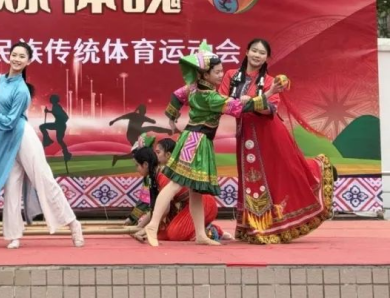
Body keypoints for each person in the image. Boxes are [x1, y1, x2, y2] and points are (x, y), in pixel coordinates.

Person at [142, 41, 280, 247]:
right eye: (217, 72)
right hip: (194, 142)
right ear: (205, 75)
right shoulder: (211, 96)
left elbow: (177, 96)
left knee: (195, 191)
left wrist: (172, 117)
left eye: (221, 71)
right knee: (175, 185)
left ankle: (200, 234)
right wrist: (269, 93)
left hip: (199, 141)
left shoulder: (193, 88)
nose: (221, 75)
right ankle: (152, 226)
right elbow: (239, 108)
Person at [0, 41, 84, 249]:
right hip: (5, 138)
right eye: (14, 55)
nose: (16, 59)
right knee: (11, 185)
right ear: (8, 56)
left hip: (21, 135)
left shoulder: (22, 90)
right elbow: (3, 115)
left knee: (44, 180)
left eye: (22, 56)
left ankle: (73, 223)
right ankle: (14, 234)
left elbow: (10, 121)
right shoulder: (2, 80)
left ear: (28, 62)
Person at [220, 38, 334, 244]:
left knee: (280, 175)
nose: (257, 55)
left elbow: (269, 109)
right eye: (254, 50)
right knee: (252, 176)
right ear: (246, 51)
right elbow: (223, 103)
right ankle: (252, 226)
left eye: (262, 53)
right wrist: (245, 103)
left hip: (270, 134)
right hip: (246, 134)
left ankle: (267, 227)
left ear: (267, 58)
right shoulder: (231, 76)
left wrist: (250, 102)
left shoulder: (271, 82)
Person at [40, 94, 71, 162]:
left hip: (59, 125)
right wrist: (49, 111)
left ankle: (47, 140)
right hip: (60, 125)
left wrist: (49, 112)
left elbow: (63, 115)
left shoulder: (56, 107)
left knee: (42, 126)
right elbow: (59, 114)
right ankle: (66, 153)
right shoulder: (56, 106)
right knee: (60, 140)